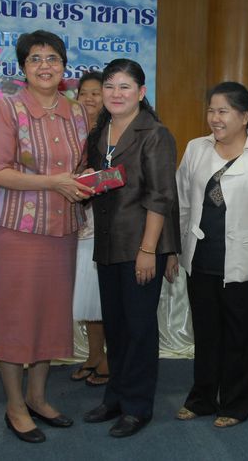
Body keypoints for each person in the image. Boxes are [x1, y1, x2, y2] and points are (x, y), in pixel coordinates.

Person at [0, 30, 92, 444]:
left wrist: (85, 179)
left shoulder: (77, 111)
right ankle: (14, 406)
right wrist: (53, 182)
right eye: (35, 58)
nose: (45, 65)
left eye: (52, 58)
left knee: (49, 316)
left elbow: (78, 168)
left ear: (64, 66)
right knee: (15, 318)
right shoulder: (7, 108)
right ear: (23, 67)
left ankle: (38, 397)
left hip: (62, 230)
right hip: (18, 231)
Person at [175, 82, 248, 428]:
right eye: (211, 110)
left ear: (244, 116)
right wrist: (176, 251)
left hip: (245, 264)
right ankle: (202, 398)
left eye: (223, 111)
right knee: (206, 334)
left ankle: (236, 404)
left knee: (241, 338)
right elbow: (182, 203)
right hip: (201, 260)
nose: (215, 118)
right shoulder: (196, 148)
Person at [82, 58, 180, 438]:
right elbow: (100, 180)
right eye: (110, 86)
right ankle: (116, 397)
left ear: (141, 92)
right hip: (108, 243)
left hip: (141, 245)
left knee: (139, 328)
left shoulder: (154, 133)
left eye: (125, 87)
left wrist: (148, 250)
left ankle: (138, 406)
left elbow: (161, 197)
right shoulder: (101, 131)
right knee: (116, 326)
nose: (116, 93)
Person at [71, 72, 110, 387]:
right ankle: (94, 354)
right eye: (84, 93)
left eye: (96, 93)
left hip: (105, 221)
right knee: (88, 297)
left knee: (105, 296)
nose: (89, 99)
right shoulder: (70, 130)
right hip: (77, 219)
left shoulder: (113, 131)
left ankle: (110, 357)